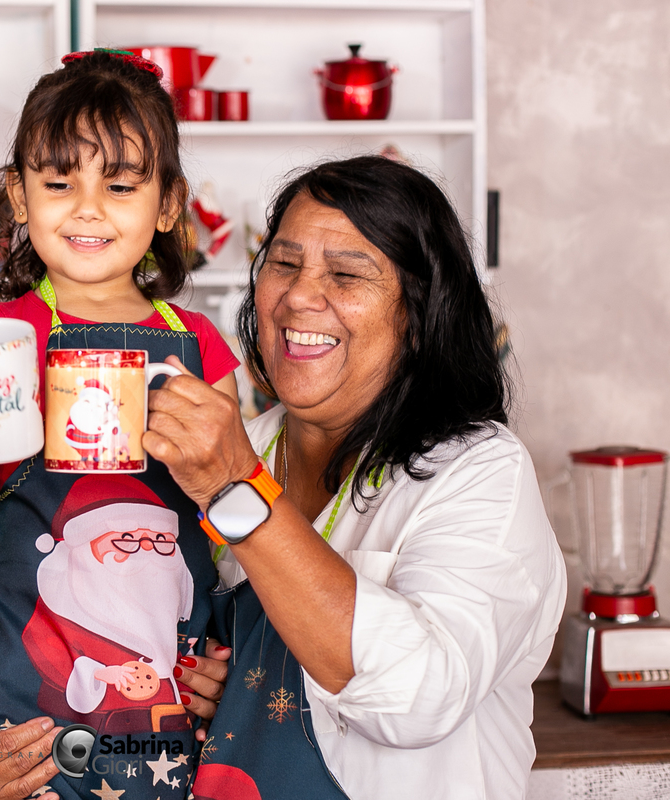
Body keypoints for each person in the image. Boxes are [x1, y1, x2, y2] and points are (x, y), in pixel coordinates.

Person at [142, 155, 567, 799]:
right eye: (284, 264)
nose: (298, 296)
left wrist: (235, 488)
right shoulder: (242, 449)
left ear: (420, 317)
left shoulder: (481, 472)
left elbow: (419, 698)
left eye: (346, 274)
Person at [0, 49, 236, 800]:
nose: (87, 207)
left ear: (168, 203)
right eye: (58, 182)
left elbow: (240, 503)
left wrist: (230, 659)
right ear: (17, 195)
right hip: (29, 690)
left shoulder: (200, 344)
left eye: (119, 184)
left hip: (167, 676)